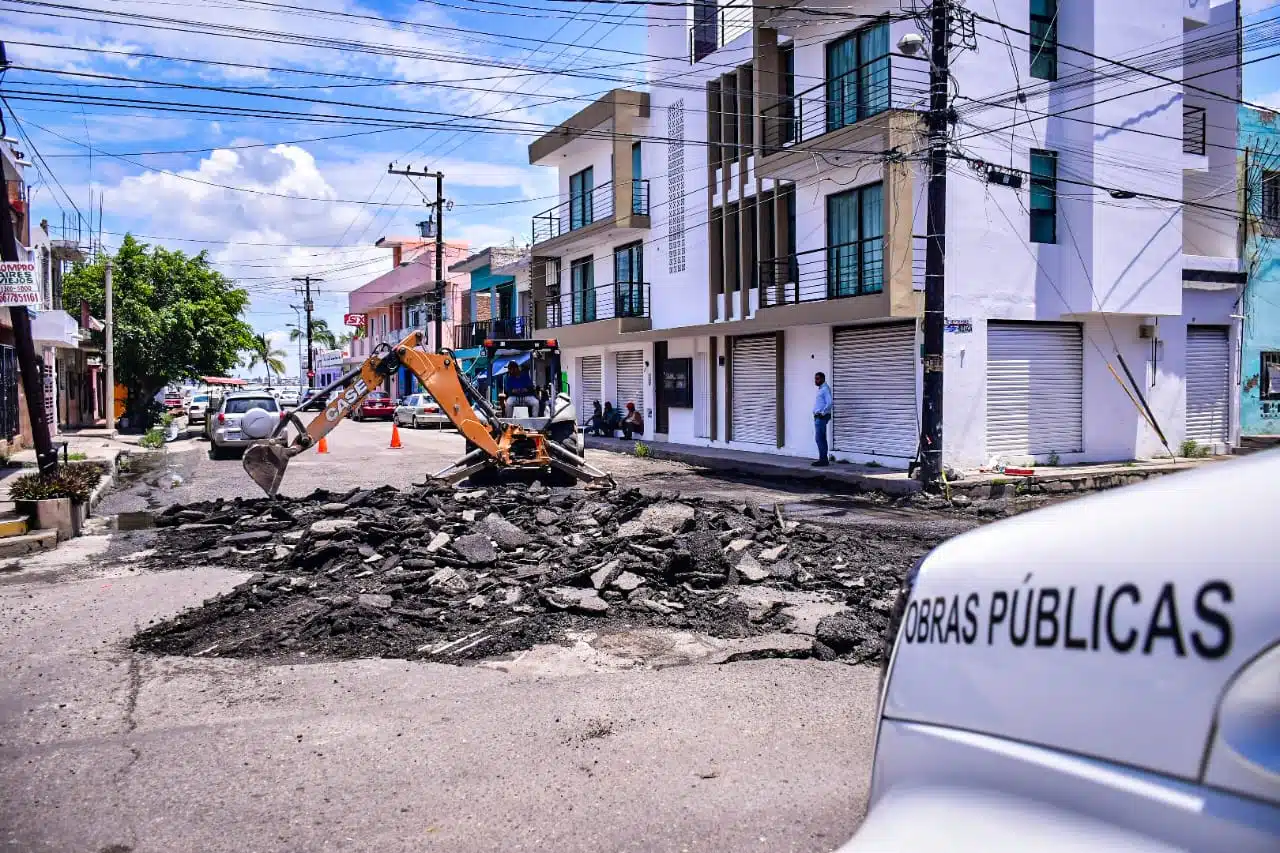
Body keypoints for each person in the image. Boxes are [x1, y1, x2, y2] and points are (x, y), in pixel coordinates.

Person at [812, 371, 832, 467]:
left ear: (823, 379)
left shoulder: (825, 389)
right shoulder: (821, 389)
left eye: (818, 378)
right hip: (818, 417)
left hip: (821, 417)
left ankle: (823, 460)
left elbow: (829, 403)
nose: (816, 380)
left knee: (819, 439)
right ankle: (824, 459)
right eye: (815, 378)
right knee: (821, 438)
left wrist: (822, 413)